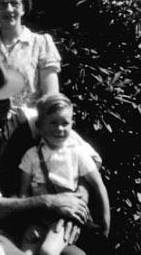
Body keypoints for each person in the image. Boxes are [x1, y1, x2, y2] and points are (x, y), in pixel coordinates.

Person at [0, 51, 102, 255]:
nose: (4, 104)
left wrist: (77, 202)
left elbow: (90, 157)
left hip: (43, 222)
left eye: (6, 96)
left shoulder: (29, 118)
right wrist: (48, 202)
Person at [19, 94, 110, 255]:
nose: (59, 129)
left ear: (71, 124)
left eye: (65, 123)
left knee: (48, 252)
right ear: (40, 126)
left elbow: (98, 186)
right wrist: (28, 222)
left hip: (63, 219)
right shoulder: (31, 155)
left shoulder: (77, 153)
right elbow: (24, 192)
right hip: (38, 217)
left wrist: (105, 226)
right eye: (53, 123)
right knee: (24, 252)